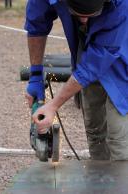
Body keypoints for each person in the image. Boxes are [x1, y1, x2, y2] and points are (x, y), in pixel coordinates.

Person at [25, 0, 128, 160]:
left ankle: (122, 182)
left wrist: (53, 105)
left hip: (121, 52)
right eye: (79, 15)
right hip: (87, 52)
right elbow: (36, 23)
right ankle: (100, 181)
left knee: (119, 139)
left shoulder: (120, 5)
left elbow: (93, 64)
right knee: (95, 133)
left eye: (91, 15)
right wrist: (36, 75)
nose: (85, 21)